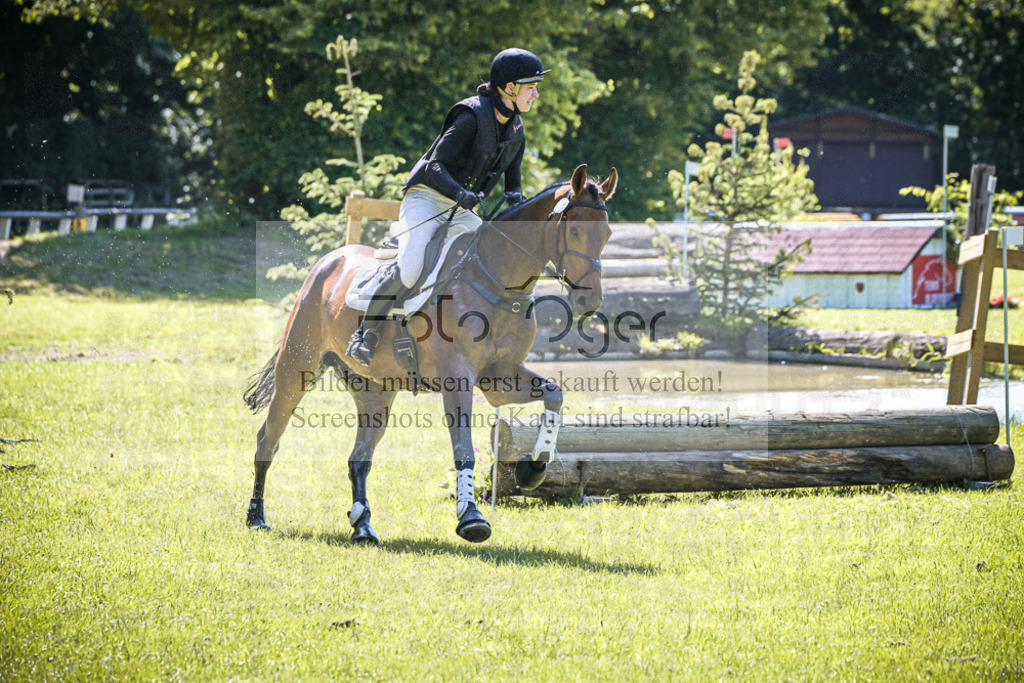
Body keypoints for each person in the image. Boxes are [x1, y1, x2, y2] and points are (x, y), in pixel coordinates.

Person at [345, 47, 550, 367]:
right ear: (510, 88)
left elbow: (513, 185)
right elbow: (432, 167)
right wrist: (458, 193)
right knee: (412, 267)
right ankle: (366, 334)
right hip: (428, 199)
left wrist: (517, 199)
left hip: (465, 208)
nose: (536, 94)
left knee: (485, 263)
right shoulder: (469, 117)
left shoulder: (516, 128)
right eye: (531, 87)